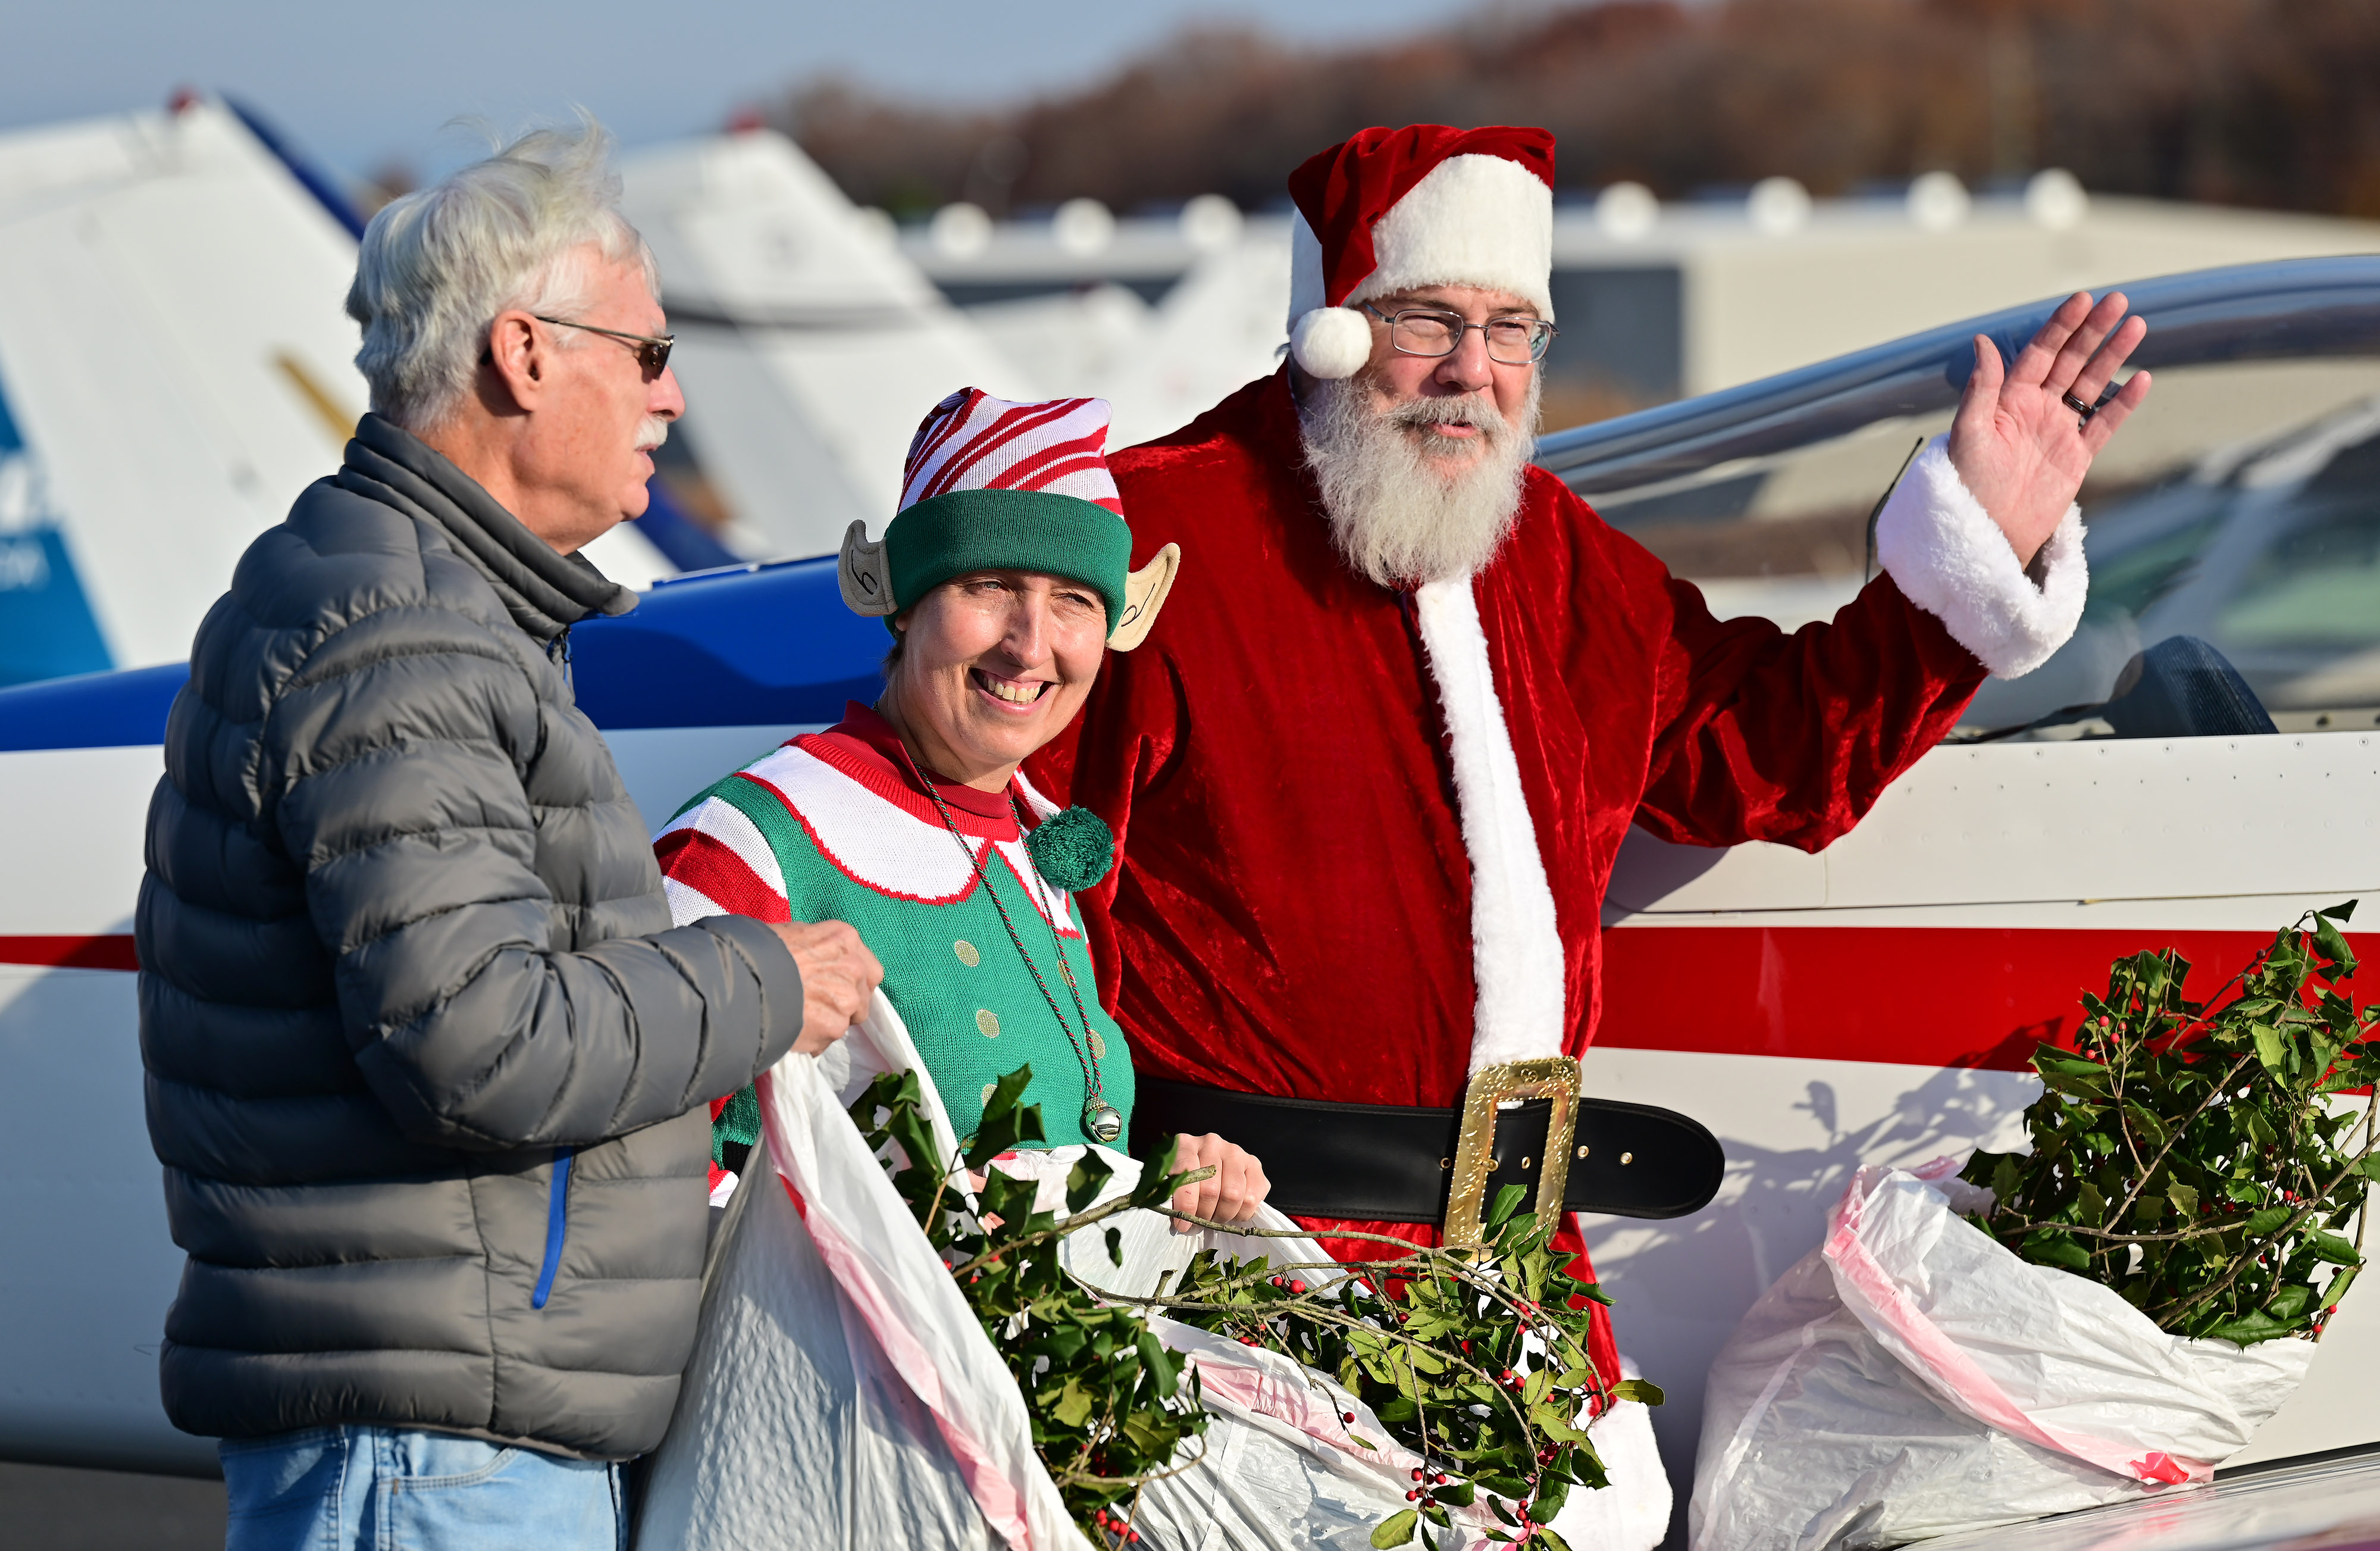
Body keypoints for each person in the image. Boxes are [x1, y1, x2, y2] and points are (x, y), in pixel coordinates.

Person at [1020, 124, 2152, 1537]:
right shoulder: (1153, 541)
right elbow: (1019, 865)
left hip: (1518, 1287)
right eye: (1424, 321)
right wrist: (1081, 1172)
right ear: (1326, 332)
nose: (1471, 373)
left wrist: (1965, 557)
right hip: (1239, 1278)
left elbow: (1772, 754)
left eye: (1510, 331)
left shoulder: (1552, 558)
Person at [136, 121, 880, 1551]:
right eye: (650, 355)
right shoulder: (403, 634)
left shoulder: (421, 609)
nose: (672, 400)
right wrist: (763, 979)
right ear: (525, 355)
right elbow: (477, 1043)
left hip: (448, 1442)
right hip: (430, 1462)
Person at [655, 387, 1267, 1230]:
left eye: (1074, 601)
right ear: (905, 602)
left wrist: (1161, 1184)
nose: (1029, 642)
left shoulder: (1037, 844)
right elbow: (634, 1165)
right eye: (989, 586)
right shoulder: (761, 835)